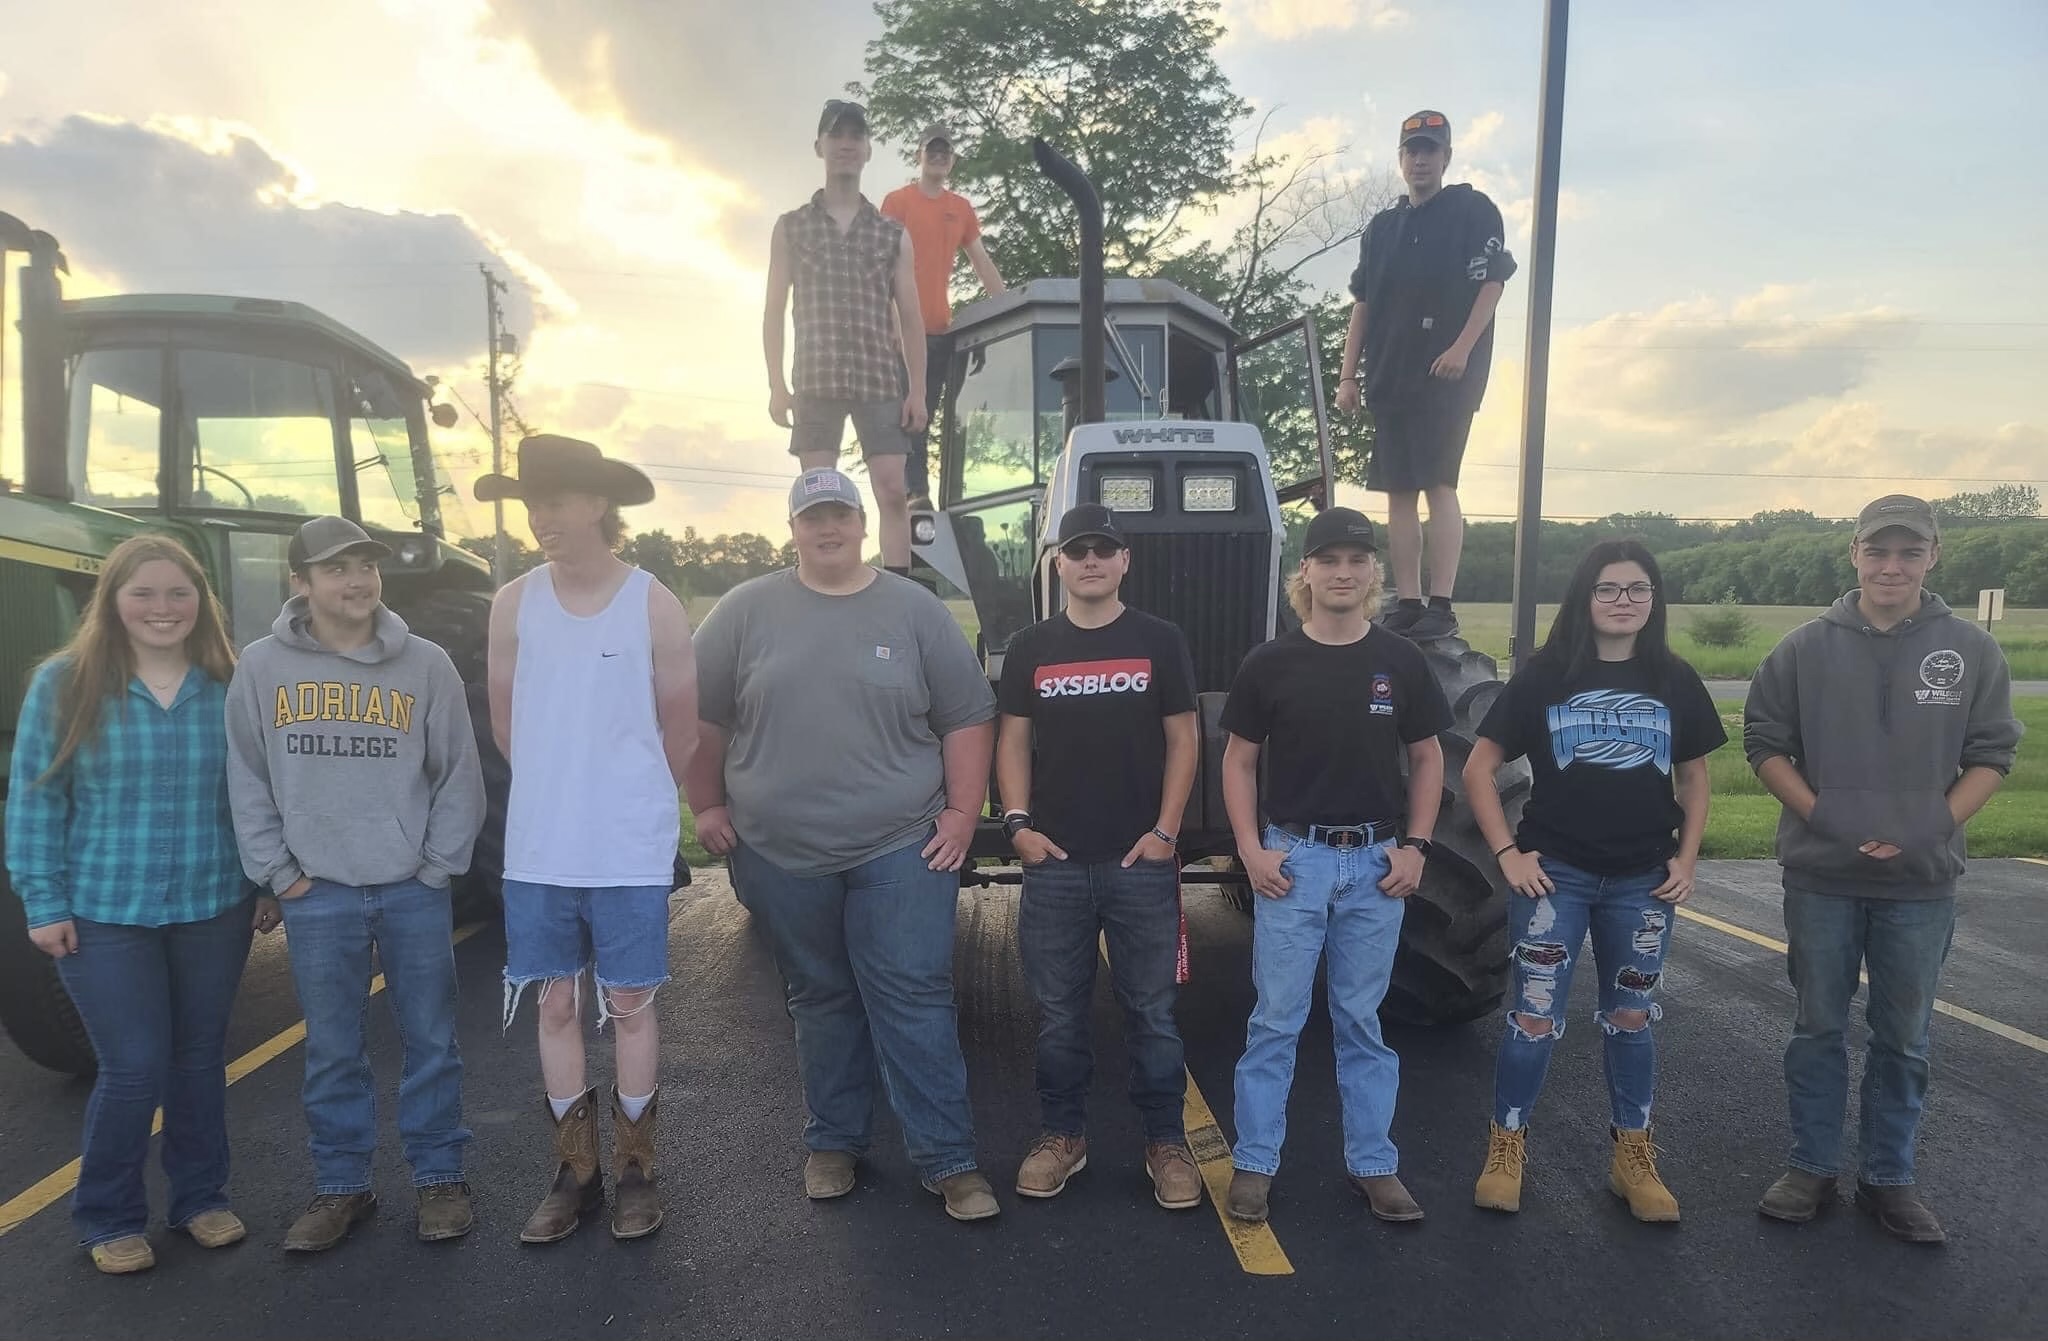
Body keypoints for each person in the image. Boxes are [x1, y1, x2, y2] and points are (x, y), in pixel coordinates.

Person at [685, 468, 1000, 1222]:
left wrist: (962, 812)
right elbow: (703, 719)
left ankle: (949, 1159)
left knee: (914, 994)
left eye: (840, 515)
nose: (827, 528)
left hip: (901, 842)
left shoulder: (914, 609)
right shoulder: (743, 611)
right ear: (792, 528)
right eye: (811, 517)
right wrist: (706, 802)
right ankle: (835, 1141)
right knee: (820, 997)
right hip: (779, 848)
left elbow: (966, 715)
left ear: (862, 523)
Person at [1744, 494, 2021, 1243]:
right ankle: (1811, 1166)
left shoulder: (1970, 649)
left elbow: (1992, 753)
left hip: (1920, 885)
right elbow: (1765, 742)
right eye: (1877, 550)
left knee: (1904, 1037)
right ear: (1855, 554)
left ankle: (1890, 1178)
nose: (1891, 566)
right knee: (1817, 1027)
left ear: (1934, 556)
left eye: (1908, 551)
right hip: (1822, 877)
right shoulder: (1803, 648)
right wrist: (1827, 815)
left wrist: (1928, 824)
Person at [225, 516, 487, 1252]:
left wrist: (436, 866)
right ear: (301, 582)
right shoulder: (261, 667)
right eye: (337, 568)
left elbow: (457, 775)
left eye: (366, 565)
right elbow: (246, 776)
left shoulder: (425, 664)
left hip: (411, 887)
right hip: (320, 892)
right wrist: (277, 872)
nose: (357, 580)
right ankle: (342, 1186)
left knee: (431, 1040)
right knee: (333, 1048)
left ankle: (439, 1177)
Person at [5, 535, 265, 1275]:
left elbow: (257, 793)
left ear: (200, 602)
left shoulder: (228, 680)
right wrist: (43, 900)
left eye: (178, 593)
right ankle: (108, 1214)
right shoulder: (66, 682)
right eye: (143, 593)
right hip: (103, 908)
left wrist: (267, 882)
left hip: (213, 902)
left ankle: (200, 1197)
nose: (162, 608)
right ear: (112, 599)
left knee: (197, 1059)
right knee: (133, 1064)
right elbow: (35, 797)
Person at [1461, 539, 1724, 1221]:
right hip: (1557, 877)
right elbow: (1477, 769)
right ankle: (1506, 1145)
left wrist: (1687, 859)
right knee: (1531, 1018)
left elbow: (1695, 776)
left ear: (1654, 600)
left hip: (1642, 882)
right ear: (1585, 598)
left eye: (1638, 589)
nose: (1624, 601)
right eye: (1609, 589)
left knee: (1631, 1019)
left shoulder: (1675, 678)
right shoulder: (1545, 678)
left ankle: (1632, 1156)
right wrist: (1506, 853)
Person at [478, 434, 700, 1244]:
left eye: (557, 501)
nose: (541, 518)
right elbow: (510, 728)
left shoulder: (653, 601)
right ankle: (575, 1172)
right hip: (540, 848)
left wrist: (627, 799)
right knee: (558, 999)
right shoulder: (512, 603)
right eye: (532, 503)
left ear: (599, 504)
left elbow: (680, 733)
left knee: (633, 1004)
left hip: (627, 849)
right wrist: (561, 793)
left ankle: (638, 1167)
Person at [1217, 507, 1451, 1224]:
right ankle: (1255, 1163)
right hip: (1296, 860)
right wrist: (1252, 849)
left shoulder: (1400, 661)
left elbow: (1429, 756)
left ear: (1374, 572)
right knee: (1276, 1020)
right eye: (1329, 560)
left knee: (1360, 1019)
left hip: (1376, 864)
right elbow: (1239, 760)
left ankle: (1374, 1164)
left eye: (1357, 560)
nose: (1343, 573)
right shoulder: (1271, 663)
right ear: (1307, 573)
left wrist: (1415, 846)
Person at [995, 504, 1202, 1210]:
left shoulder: (1159, 640)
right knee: (1058, 1014)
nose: (1090, 560)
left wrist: (1167, 832)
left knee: (1153, 1012)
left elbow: (1184, 738)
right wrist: (1017, 824)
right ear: (1059, 562)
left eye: (1103, 550)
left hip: (1138, 861)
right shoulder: (1031, 645)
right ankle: (1062, 1135)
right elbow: (1013, 741)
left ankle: (1165, 1141)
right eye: (1077, 550)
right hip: (1053, 861)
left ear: (1123, 562)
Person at [1335, 110, 1515, 643]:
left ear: (1446, 157)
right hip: (1390, 374)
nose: (1421, 159)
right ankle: (1407, 600)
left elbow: (1493, 283)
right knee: (1397, 491)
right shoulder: (1383, 229)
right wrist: (1348, 376)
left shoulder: (1471, 210)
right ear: (1401, 159)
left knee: (1439, 482)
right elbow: (1363, 305)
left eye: (1430, 150)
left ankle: (1442, 602)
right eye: (1412, 150)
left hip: (1446, 375)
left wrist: (1462, 346)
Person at [765, 98, 927, 574]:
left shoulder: (890, 233)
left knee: (893, 488)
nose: (846, 145)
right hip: (815, 376)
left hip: (879, 375)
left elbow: (912, 317)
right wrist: (776, 383)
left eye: (856, 136)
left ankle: (898, 589)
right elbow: (774, 310)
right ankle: (820, 584)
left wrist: (916, 388)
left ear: (867, 150)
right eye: (837, 135)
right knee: (817, 493)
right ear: (820, 146)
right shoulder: (791, 227)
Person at [881, 124, 1007, 506]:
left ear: (952, 159)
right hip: (902, 327)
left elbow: (981, 262)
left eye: (945, 151)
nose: (938, 156)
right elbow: (881, 263)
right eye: (931, 150)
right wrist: (892, 323)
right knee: (908, 411)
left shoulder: (960, 209)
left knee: (930, 414)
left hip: (940, 329)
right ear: (918, 155)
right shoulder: (898, 202)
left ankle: (939, 495)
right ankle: (914, 492)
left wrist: (1007, 307)